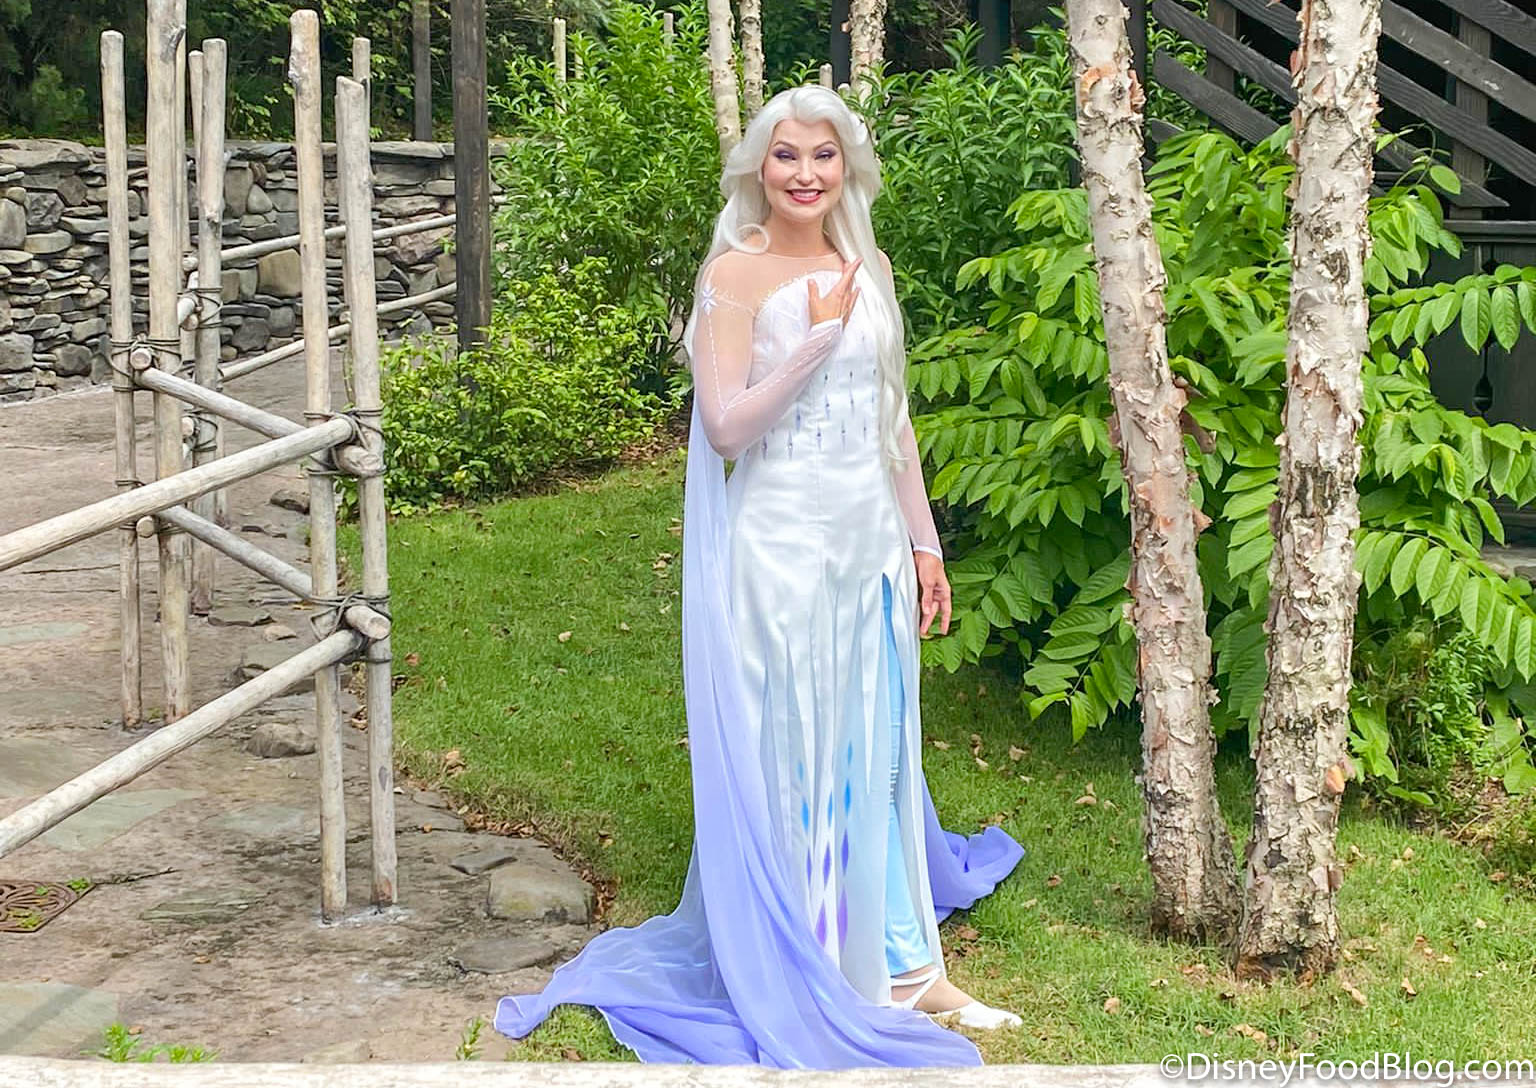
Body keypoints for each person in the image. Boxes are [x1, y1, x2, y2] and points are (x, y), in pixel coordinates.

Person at [494, 85, 1025, 1068]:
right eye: (787, 155)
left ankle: (909, 966)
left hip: (869, 545)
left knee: (878, 750)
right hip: (780, 547)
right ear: (758, 167)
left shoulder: (869, 267)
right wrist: (813, 342)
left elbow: (892, 419)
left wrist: (925, 543)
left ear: (848, 167)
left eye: (824, 155)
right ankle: (812, 956)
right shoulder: (733, 277)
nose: (806, 174)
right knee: (797, 754)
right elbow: (727, 427)